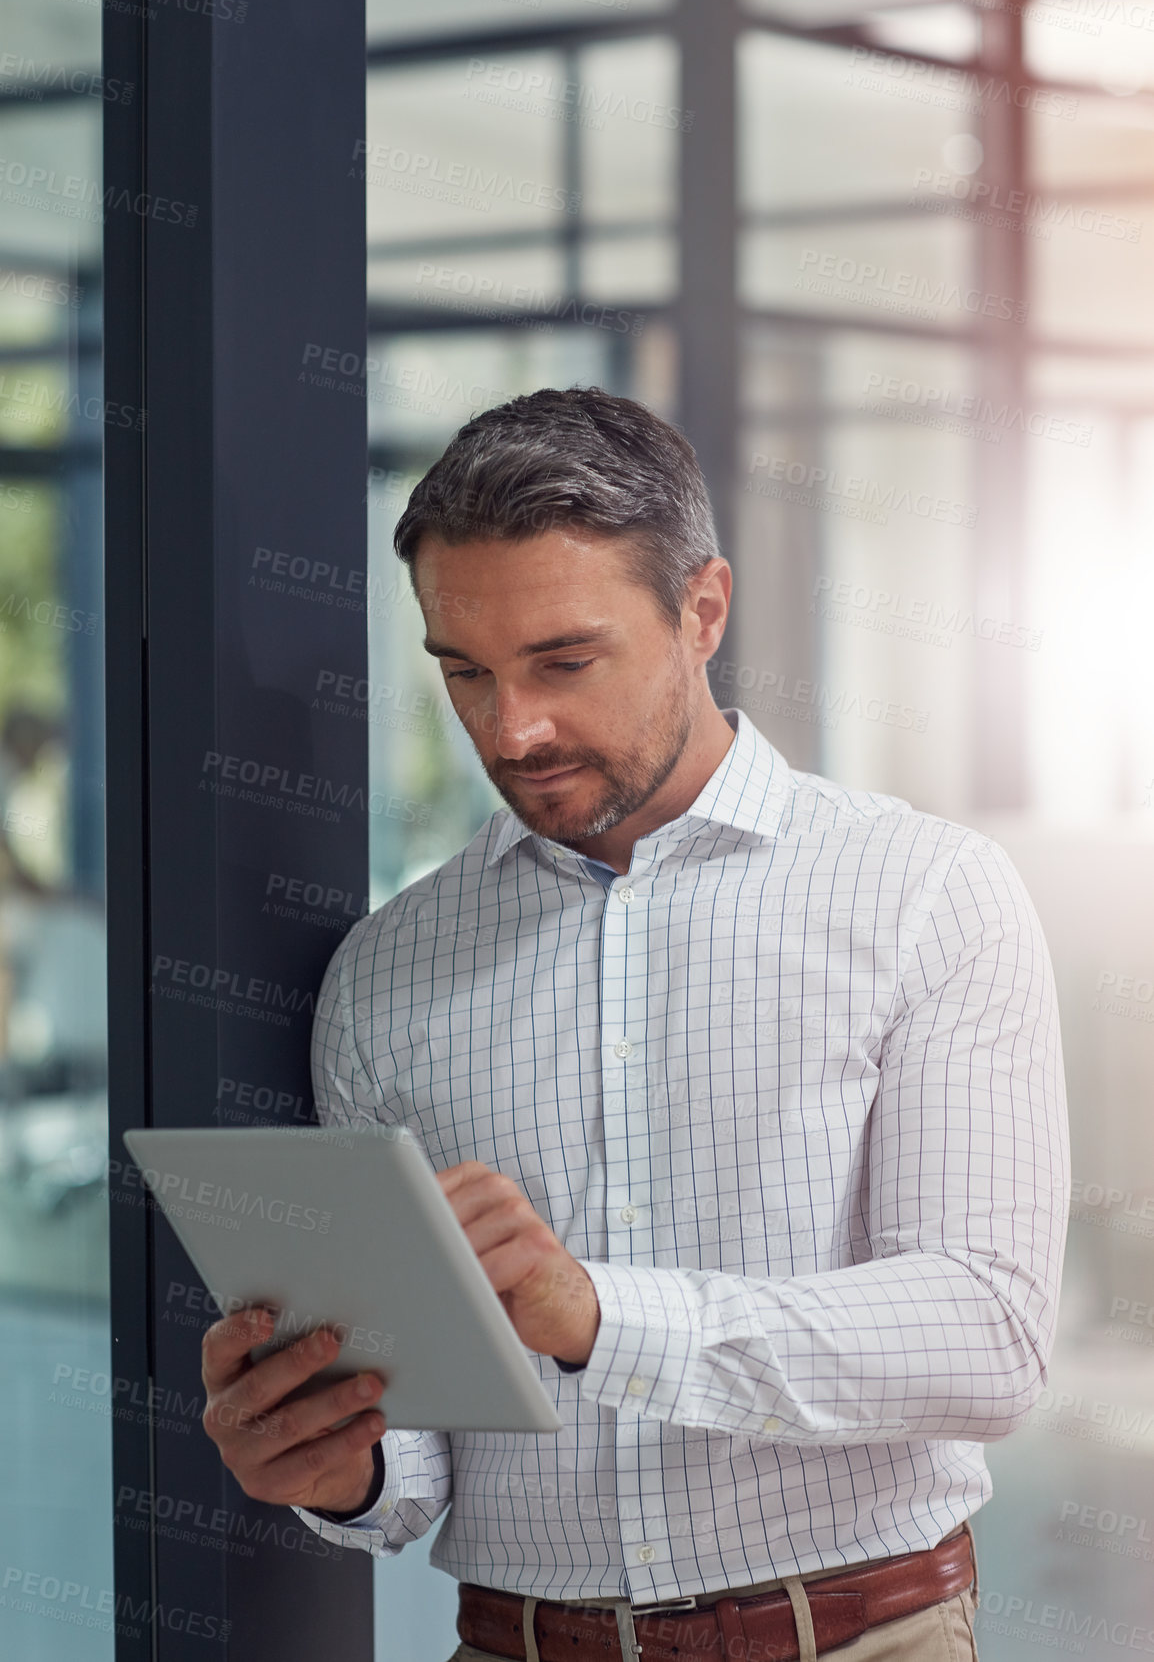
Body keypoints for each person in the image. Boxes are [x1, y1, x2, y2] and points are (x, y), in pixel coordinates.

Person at [200, 385, 1069, 1662]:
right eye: (465, 673)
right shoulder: (387, 973)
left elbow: (983, 1334)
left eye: (563, 661)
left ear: (701, 608)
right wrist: (333, 1466)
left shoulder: (926, 894)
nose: (514, 728)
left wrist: (596, 1313)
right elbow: (424, 1462)